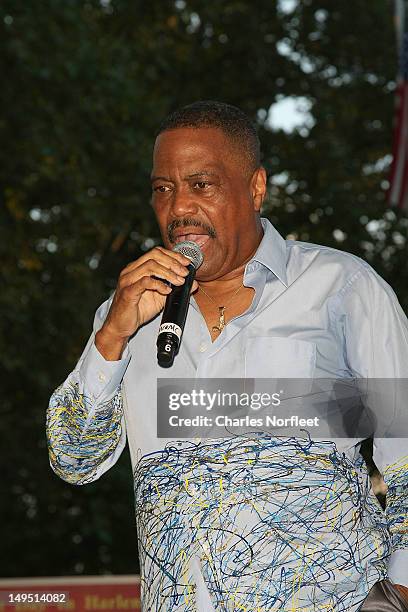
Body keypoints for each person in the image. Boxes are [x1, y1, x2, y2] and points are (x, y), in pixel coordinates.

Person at [46, 101, 408, 611]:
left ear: (255, 188)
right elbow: (74, 459)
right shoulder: (126, 313)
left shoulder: (341, 287)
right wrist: (111, 337)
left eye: (201, 184)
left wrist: (396, 595)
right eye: (163, 189)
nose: (179, 210)